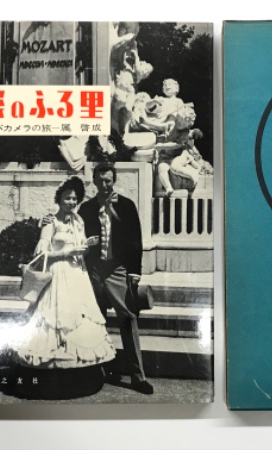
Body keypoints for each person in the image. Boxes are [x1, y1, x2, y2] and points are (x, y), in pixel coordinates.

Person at [12, 176, 116, 397]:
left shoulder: (78, 221)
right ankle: (51, 373)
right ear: (59, 199)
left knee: (79, 316)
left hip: (77, 273)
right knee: (55, 318)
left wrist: (86, 247)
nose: (71, 202)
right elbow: (40, 254)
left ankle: (76, 372)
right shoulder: (51, 221)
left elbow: (80, 247)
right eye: (67, 198)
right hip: (58, 273)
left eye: (75, 199)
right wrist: (66, 252)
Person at [77, 162, 154, 395]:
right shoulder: (86, 208)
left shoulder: (126, 206)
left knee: (128, 317)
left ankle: (138, 377)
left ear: (114, 180)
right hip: (94, 270)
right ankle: (98, 371)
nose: (104, 185)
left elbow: (135, 239)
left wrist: (134, 272)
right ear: (94, 181)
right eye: (100, 180)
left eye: (108, 180)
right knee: (95, 320)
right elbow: (78, 235)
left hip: (117, 269)